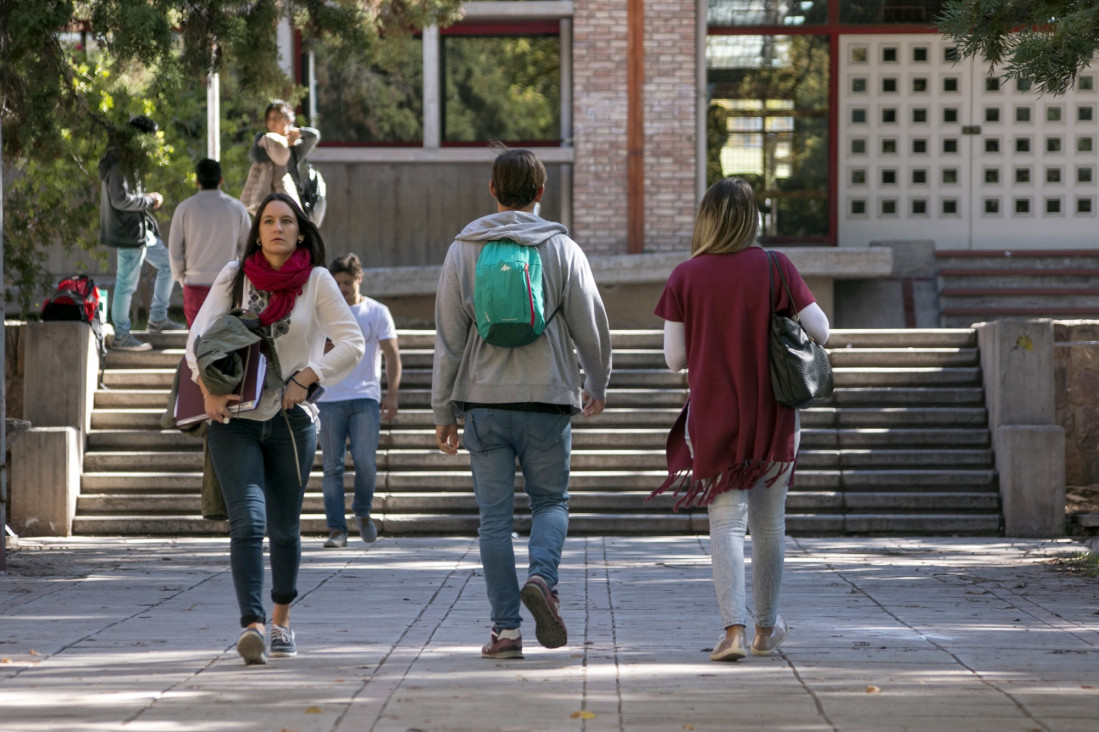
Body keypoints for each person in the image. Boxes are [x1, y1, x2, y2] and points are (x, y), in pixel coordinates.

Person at [432, 149, 613, 660]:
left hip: (483, 404)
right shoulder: (561, 248)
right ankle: (542, 576)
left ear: (492, 189)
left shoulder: (463, 248)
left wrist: (442, 411)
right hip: (547, 399)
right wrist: (596, 381)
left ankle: (506, 632)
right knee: (550, 504)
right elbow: (591, 324)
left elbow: (447, 338)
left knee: (493, 520)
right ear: (540, 192)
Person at [651, 178, 830, 662]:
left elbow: (673, 359)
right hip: (773, 413)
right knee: (770, 526)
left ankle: (731, 630)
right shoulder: (776, 266)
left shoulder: (685, 276)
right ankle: (765, 630)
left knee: (726, 523)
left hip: (714, 415)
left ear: (705, 219)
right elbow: (821, 330)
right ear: (752, 219)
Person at [186, 192, 364, 666]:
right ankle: (253, 625)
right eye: (268, 221)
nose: (277, 228)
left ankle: (281, 618)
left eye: (287, 221)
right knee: (248, 522)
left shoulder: (317, 281)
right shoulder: (235, 276)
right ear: (257, 229)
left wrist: (309, 377)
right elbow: (197, 341)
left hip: (291, 422)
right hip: (235, 420)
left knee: (284, 530)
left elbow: (353, 342)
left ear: (301, 231)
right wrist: (207, 388)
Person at [317, 253, 403, 548]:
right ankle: (337, 530)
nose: (341, 289)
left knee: (365, 462)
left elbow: (392, 355)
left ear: (359, 279)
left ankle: (362, 511)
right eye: (336, 283)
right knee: (332, 466)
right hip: (329, 398)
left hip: (365, 397)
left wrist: (391, 393)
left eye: (346, 283)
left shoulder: (377, 312)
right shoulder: (324, 314)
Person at [98, 114, 185, 351]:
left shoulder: (127, 160)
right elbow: (120, 199)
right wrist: (148, 199)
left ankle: (157, 319)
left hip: (140, 230)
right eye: (151, 140)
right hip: (128, 233)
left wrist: (147, 199)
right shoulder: (118, 162)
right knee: (126, 284)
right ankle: (122, 336)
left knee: (169, 265)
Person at [168, 158, 252, 326]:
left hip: (194, 284)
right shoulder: (237, 208)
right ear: (221, 180)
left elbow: (175, 249)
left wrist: (180, 277)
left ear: (197, 180)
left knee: (197, 341)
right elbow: (247, 249)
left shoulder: (185, 208)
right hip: (228, 285)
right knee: (226, 340)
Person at [240, 100, 320, 219]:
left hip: (291, 198)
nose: (272, 122)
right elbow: (257, 157)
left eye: (277, 118)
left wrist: (298, 132)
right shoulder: (265, 141)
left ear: (287, 120)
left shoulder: (294, 146)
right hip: (267, 198)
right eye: (269, 118)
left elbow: (314, 136)